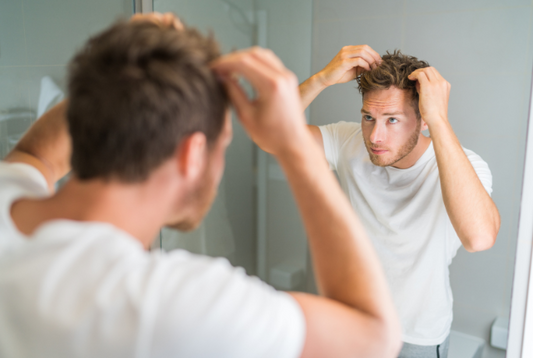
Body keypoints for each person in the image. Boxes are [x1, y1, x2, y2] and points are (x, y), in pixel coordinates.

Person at [0, 13, 402, 358]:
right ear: (192, 154)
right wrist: (292, 144)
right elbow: (374, 335)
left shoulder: (7, 195)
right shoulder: (170, 304)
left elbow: (36, 154)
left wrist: (124, 66)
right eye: (222, 142)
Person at [299, 46, 501, 358]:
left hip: (415, 339)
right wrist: (320, 80)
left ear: (422, 120)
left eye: (392, 119)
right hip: (352, 324)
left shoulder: (464, 165)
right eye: (369, 117)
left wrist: (439, 119)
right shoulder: (348, 142)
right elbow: (270, 135)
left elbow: (479, 237)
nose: (375, 136)